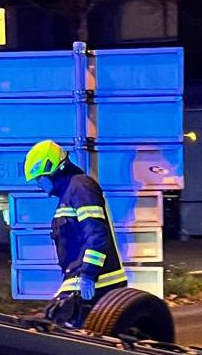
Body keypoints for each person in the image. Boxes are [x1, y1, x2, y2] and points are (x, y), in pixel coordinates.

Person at [23, 139, 127, 327]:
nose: (38, 185)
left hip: (99, 284)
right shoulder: (68, 195)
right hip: (82, 282)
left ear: (52, 169)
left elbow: (96, 233)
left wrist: (88, 274)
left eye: (39, 179)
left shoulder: (80, 187)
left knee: (70, 339)